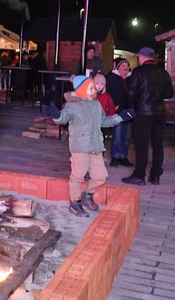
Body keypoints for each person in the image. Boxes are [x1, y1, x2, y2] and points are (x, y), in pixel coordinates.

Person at [42, 76, 133, 217]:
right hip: (80, 147)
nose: (94, 90)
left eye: (94, 88)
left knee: (100, 177)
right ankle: (74, 203)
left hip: (95, 146)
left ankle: (87, 195)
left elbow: (103, 121)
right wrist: (57, 115)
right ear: (82, 90)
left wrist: (120, 117)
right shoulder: (73, 106)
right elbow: (63, 118)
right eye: (91, 88)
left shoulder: (96, 105)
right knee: (77, 176)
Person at [122, 46, 174, 186]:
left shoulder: (138, 72)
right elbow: (170, 93)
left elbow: (131, 94)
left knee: (142, 146)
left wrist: (133, 106)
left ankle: (139, 176)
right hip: (159, 114)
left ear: (141, 57)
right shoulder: (163, 72)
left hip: (142, 114)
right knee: (158, 146)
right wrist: (157, 96)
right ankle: (155, 175)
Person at [105, 58, 133, 167]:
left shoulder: (131, 79)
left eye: (127, 65)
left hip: (129, 112)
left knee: (126, 137)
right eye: (122, 65)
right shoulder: (112, 78)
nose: (125, 67)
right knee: (117, 135)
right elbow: (108, 93)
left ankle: (123, 156)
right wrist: (113, 105)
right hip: (118, 112)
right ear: (118, 67)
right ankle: (115, 157)